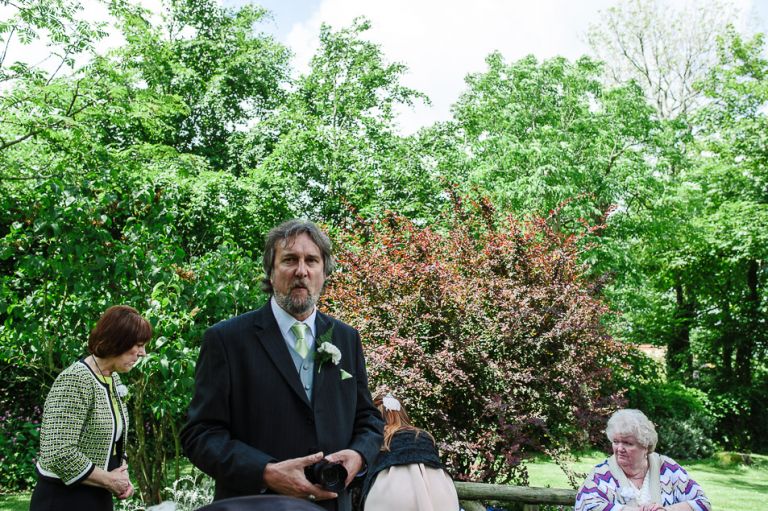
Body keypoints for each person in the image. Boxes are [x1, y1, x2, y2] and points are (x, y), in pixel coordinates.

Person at [181, 219, 383, 511]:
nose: (301, 271)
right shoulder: (226, 340)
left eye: (311, 260)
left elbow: (368, 419)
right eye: (289, 260)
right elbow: (200, 434)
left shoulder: (346, 338)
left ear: (324, 272)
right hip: (255, 506)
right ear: (271, 271)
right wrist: (265, 472)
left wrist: (359, 455)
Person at [30, 305, 151, 511]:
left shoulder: (112, 378)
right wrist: (109, 480)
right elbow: (58, 452)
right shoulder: (75, 379)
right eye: (139, 345)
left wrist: (121, 475)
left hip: (97, 497)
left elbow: (113, 439)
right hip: (64, 500)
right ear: (118, 341)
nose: (142, 353)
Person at [575, 409, 712, 511]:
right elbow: (588, 506)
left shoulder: (667, 468)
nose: (620, 448)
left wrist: (665, 510)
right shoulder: (601, 474)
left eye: (628, 443)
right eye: (616, 442)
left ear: (645, 446)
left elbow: (702, 503)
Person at [360, 392, 460, 511]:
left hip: (393, 496)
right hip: (440, 494)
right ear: (403, 414)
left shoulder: (376, 438)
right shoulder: (425, 436)